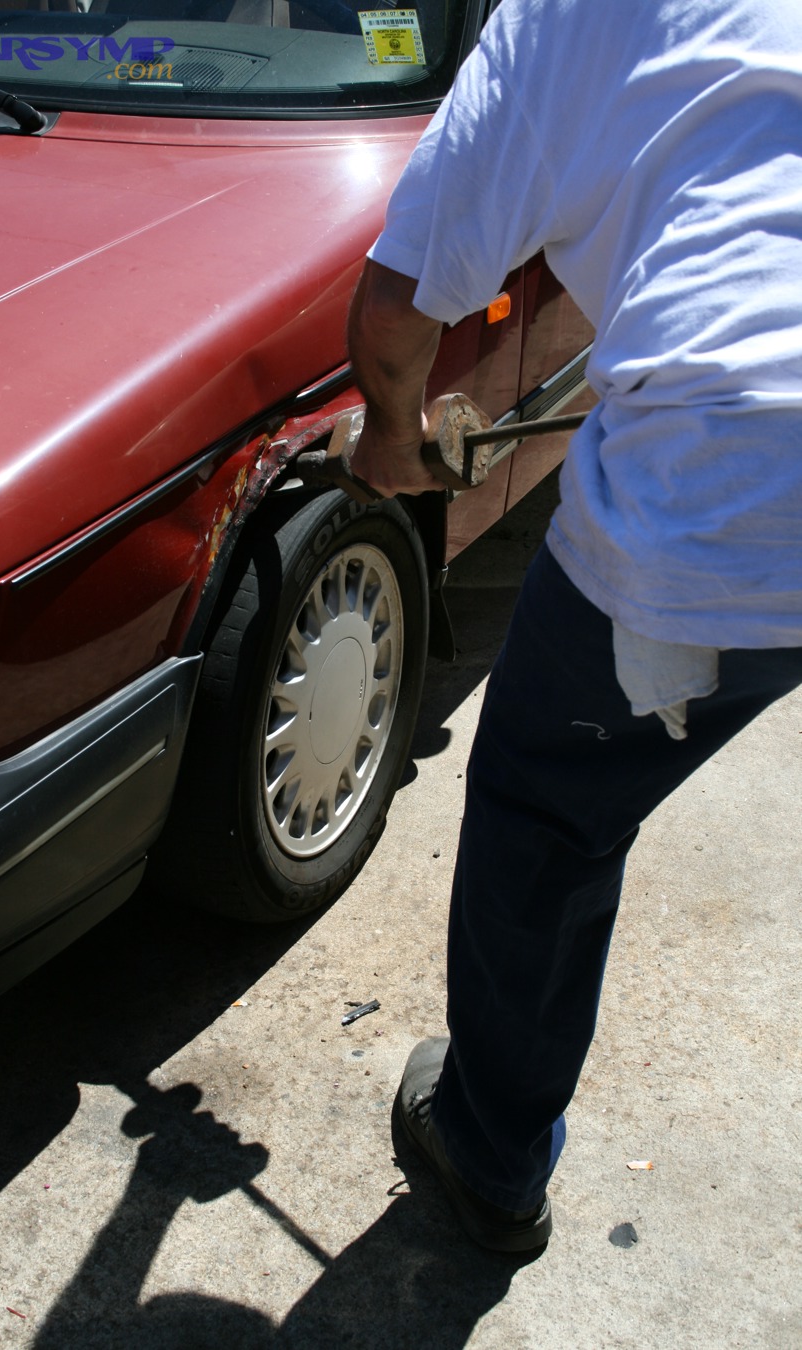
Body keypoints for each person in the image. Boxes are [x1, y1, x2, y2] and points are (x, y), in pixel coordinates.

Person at [345, 0, 802, 1252]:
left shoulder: (564, 15)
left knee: (548, 814)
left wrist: (391, 440)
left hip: (722, 481)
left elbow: (400, 304)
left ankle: (490, 1151)